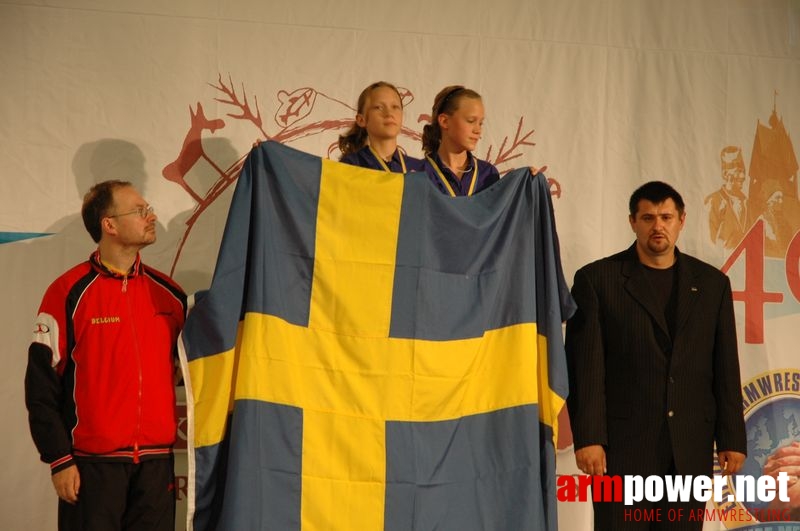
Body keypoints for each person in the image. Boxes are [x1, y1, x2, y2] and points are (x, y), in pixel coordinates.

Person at [565, 181, 747, 530]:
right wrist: (589, 438)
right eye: (648, 217)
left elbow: (725, 367)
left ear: (681, 220)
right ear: (632, 221)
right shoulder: (597, 280)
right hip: (620, 451)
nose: (658, 226)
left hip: (688, 448)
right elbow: (585, 367)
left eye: (666, 216)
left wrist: (732, 438)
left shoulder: (711, 285)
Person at [25, 180, 187, 531]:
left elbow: (187, 370)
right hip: (91, 468)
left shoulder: (170, 295)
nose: (152, 216)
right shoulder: (68, 292)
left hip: (157, 467)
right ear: (109, 225)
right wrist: (59, 459)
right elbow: (40, 387)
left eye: (149, 209)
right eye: (140, 211)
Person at [421, 85, 501, 196]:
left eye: (480, 123)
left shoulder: (488, 174)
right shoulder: (420, 174)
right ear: (444, 121)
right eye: (471, 120)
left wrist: (530, 181)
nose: (478, 130)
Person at [338, 81, 423, 173]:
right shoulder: (351, 165)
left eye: (395, 107)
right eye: (379, 107)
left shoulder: (419, 169)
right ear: (361, 120)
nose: (389, 113)